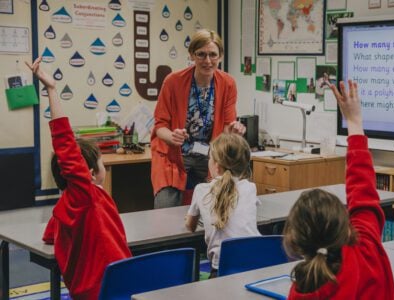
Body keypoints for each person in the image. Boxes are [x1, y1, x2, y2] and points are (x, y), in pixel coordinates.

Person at [27, 57, 131, 299]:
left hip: (91, 290)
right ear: (90, 173)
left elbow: (49, 235)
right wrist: (52, 89)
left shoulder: (65, 206)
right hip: (110, 288)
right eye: (102, 163)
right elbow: (64, 141)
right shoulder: (85, 196)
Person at [282, 80, 394, 299]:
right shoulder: (367, 250)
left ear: (294, 240)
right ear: (345, 225)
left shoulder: (303, 291)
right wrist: (354, 122)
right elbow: (363, 190)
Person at [152, 29, 246, 209]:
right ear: (192, 55)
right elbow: (159, 126)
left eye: (213, 55)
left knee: (222, 205)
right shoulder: (173, 82)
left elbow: (226, 127)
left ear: (220, 56)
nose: (208, 61)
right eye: (201, 54)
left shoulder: (228, 83)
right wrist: (172, 136)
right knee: (165, 208)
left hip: (210, 155)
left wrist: (233, 132)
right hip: (175, 154)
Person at [185, 133, 260, 278]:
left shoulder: (201, 189)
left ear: (217, 167)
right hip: (254, 266)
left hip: (221, 272)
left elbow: (190, 226)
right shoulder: (251, 188)